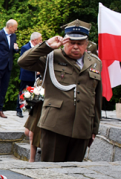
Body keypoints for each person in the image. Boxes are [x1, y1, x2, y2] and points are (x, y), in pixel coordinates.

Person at [18, 20, 102, 162]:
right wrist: (47, 46)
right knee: (51, 172)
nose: (75, 46)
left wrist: (94, 129)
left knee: (74, 173)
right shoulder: (52, 57)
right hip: (55, 126)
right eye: (71, 42)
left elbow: (96, 99)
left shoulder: (95, 62)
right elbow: (23, 61)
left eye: (80, 43)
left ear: (86, 44)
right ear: (64, 42)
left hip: (82, 127)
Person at [17, 32, 42, 118]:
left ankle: (31, 109)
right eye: (40, 40)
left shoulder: (39, 48)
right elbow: (24, 62)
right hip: (27, 73)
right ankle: (19, 109)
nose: (41, 41)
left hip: (36, 75)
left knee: (34, 92)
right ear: (35, 40)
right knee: (23, 92)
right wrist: (35, 70)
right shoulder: (25, 48)